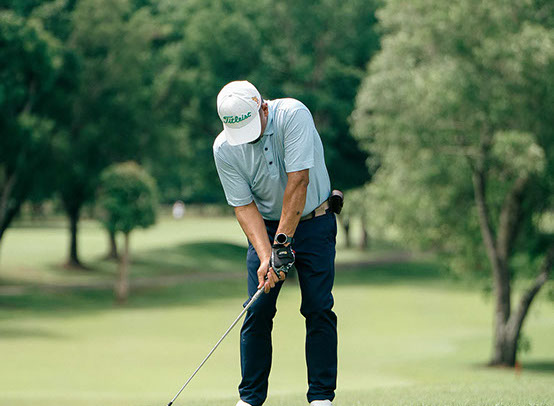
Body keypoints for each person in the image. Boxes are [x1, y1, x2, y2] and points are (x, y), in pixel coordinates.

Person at [213, 80, 338, 406]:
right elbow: (243, 206)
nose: (247, 138)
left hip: (315, 220)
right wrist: (267, 254)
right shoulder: (224, 148)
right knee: (257, 309)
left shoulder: (293, 115)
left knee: (318, 307)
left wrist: (281, 247)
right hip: (266, 228)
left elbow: (299, 181)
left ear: (263, 108)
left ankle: (321, 398)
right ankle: (250, 399)